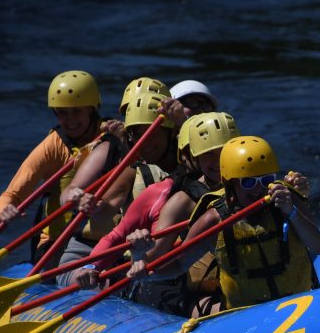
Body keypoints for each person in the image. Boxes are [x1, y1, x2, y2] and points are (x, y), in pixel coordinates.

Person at [128, 136, 320, 313]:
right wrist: (142, 266)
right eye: (248, 183)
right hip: (243, 317)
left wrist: (291, 212)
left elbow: (319, 246)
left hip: (300, 306)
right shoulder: (213, 220)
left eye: (266, 180)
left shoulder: (288, 201)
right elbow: (179, 264)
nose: (259, 189)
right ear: (230, 184)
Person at [72, 112, 241, 314]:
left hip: (228, 280)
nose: (217, 161)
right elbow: (123, 240)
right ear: (189, 155)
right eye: (207, 154)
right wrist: (94, 267)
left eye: (222, 153)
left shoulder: (250, 186)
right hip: (169, 283)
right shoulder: (170, 196)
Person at [54, 91, 177, 285]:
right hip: (90, 253)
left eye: (151, 131)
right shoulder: (120, 159)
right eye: (135, 133)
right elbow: (108, 214)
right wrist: (88, 202)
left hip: (139, 257)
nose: (143, 141)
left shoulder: (187, 164)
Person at [0, 70, 104, 261]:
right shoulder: (53, 145)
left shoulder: (110, 136)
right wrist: (4, 209)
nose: (70, 119)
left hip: (105, 237)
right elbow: (11, 195)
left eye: (77, 111)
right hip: (57, 243)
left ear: (91, 109)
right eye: (62, 113)